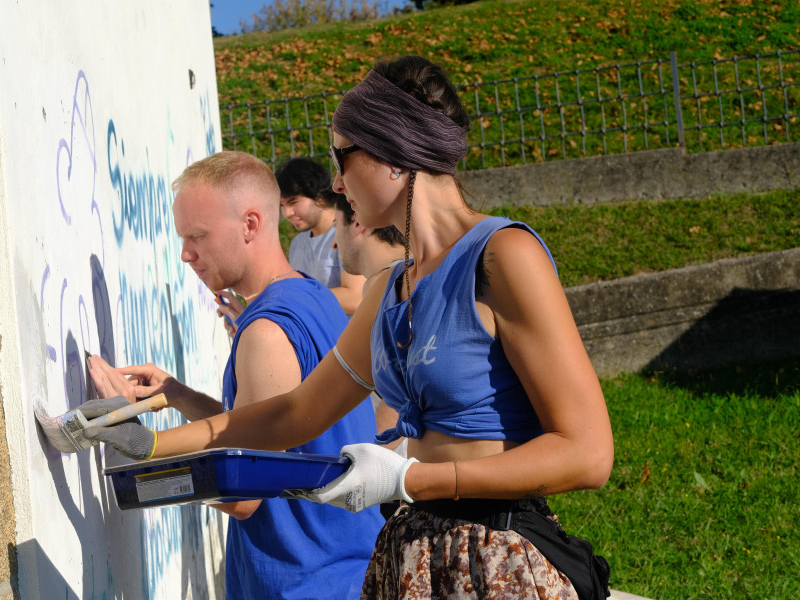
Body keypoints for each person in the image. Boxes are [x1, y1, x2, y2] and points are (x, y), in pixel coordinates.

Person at [86, 56, 614, 599]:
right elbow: (293, 414)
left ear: (393, 156)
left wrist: (410, 479)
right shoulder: (388, 291)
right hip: (408, 561)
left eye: (342, 156)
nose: (335, 181)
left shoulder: (502, 256)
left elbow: (589, 453)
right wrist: (152, 444)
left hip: (494, 562)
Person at [85, 151, 384, 600]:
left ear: (249, 224)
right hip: (345, 570)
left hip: (303, 584)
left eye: (197, 237)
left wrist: (141, 448)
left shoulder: (266, 332)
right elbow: (268, 430)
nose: (186, 254)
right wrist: (178, 394)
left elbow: (242, 495)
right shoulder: (313, 296)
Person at [276, 156, 366, 314]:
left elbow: (355, 298)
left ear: (320, 198)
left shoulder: (348, 231)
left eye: (293, 202)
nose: (287, 213)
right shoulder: (297, 243)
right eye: (282, 205)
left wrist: (293, 299)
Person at [329, 189, 405, 297]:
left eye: (336, 225)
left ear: (358, 223)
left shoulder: (381, 287)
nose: (334, 245)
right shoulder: (424, 269)